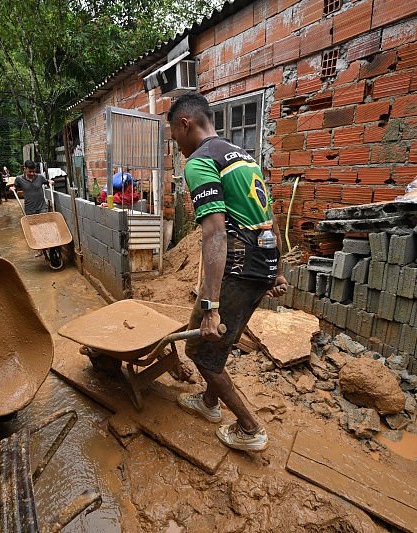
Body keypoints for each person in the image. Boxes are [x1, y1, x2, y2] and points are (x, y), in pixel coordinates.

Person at [169, 92, 287, 452]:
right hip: (260, 264)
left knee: (201, 352)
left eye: (175, 136)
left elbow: (215, 233)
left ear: (185, 124)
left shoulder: (201, 161)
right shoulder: (243, 157)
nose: (177, 146)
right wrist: (277, 271)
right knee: (218, 345)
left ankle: (250, 428)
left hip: (237, 269)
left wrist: (211, 303)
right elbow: (269, 216)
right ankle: (208, 403)